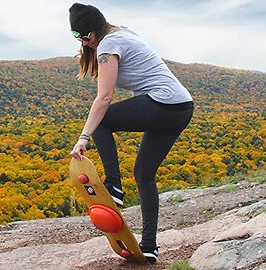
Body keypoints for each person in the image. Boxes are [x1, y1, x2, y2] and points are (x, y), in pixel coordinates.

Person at [68, 2, 194, 263]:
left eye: (81, 36)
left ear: (91, 33)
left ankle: (113, 186)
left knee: (102, 121)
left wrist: (83, 137)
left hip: (164, 103)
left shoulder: (108, 45)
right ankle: (148, 246)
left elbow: (104, 98)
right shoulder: (122, 34)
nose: (81, 42)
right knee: (144, 174)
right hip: (180, 107)